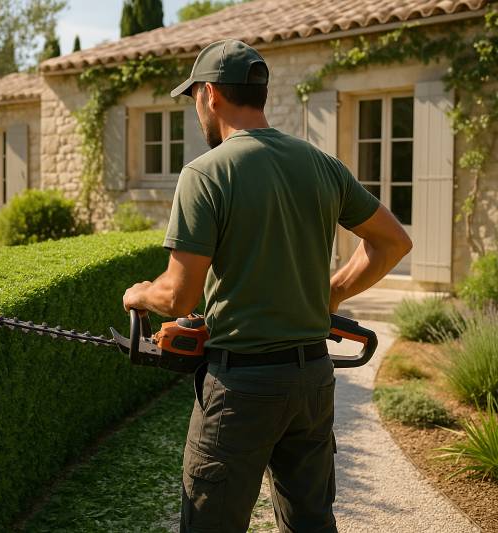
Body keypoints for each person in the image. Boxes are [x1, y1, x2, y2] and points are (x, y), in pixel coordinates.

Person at [122, 39, 412, 533]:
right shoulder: (321, 164)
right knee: (311, 524)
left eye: (194, 98)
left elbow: (178, 297)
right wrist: (332, 294)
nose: (197, 109)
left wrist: (138, 293)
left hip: (241, 389)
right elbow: (392, 242)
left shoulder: (205, 173)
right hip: (312, 382)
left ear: (210, 94)